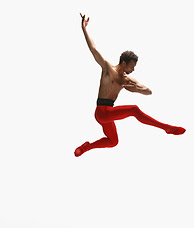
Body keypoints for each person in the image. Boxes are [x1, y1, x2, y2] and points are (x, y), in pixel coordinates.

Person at [75, 13, 186, 157]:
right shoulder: (108, 68)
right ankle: (167, 128)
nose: (133, 69)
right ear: (123, 63)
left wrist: (135, 89)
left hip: (109, 113)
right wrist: (84, 28)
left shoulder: (127, 80)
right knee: (134, 109)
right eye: (131, 66)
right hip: (101, 112)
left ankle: (86, 147)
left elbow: (148, 91)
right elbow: (93, 49)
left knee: (113, 141)